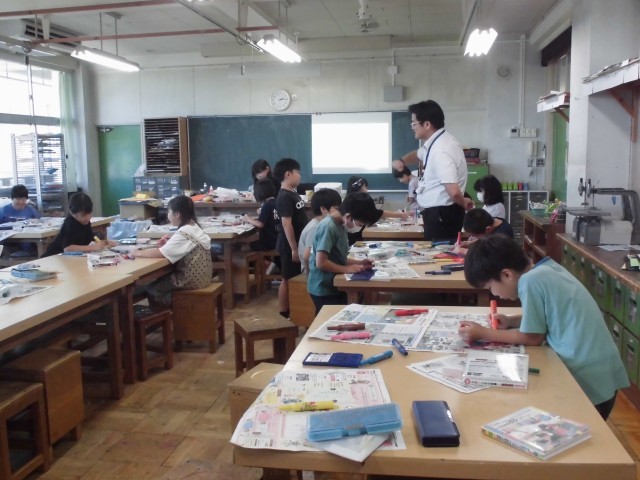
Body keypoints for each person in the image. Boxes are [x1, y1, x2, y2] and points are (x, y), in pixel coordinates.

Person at [458, 235, 629, 420]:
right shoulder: (546, 268)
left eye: (490, 287)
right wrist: (511, 321)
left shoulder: (529, 282)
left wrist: (483, 333)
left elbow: (532, 337)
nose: (493, 293)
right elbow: (551, 314)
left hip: (587, 379)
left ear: (507, 275)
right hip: (602, 370)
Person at [393, 100, 473, 242]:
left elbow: (453, 191)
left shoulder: (442, 149)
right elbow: (418, 154)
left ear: (427, 124)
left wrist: (463, 202)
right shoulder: (436, 143)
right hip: (438, 213)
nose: (412, 127)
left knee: (441, 252)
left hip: (442, 214)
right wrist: (402, 161)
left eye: (414, 123)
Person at [133, 195, 212, 307]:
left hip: (189, 279)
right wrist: (168, 245)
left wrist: (138, 252)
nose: (167, 215)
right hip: (203, 278)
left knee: (152, 288)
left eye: (169, 212)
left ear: (177, 214)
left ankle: (170, 312)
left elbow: (161, 253)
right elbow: (179, 247)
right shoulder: (194, 226)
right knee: (162, 279)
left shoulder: (183, 232)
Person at [307, 192, 378, 314]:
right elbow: (321, 262)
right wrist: (347, 269)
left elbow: (339, 257)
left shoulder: (340, 224)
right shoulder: (328, 227)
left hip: (334, 284)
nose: (359, 227)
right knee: (327, 319)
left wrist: (359, 263)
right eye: (360, 224)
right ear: (349, 216)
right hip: (323, 287)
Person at [274, 158, 308, 319]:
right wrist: (294, 248)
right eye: (298, 172)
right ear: (288, 174)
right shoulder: (284, 196)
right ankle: (284, 312)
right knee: (287, 278)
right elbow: (286, 223)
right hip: (289, 245)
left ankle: (292, 309)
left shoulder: (292, 193)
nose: (300, 176)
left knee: (292, 277)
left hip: (296, 243)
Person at [44, 192, 116, 256]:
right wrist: (94, 247)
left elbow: (90, 241)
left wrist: (105, 243)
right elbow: (68, 249)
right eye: (83, 215)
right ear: (72, 213)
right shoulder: (70, 224)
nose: (87, 217)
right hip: (54, 258)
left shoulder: (85, 222)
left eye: (89, 213)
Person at [346, 175, 408, 245]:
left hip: (356, 237)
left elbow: (375, 214)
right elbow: (377, 213)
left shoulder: (350, 200)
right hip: (356, 239)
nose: (367, 190)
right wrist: (401, 215)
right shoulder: (358, 201)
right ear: (358, 188)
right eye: (365, 187)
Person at [298, 188, 342, 274]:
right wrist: (309, 277)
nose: (339, 212)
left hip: (320, 266)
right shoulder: (315, 227)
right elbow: (307, 257)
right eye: (336, 208)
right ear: (323, 209)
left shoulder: (324, 224)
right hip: (313, 271)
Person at [242, 178, 280, 273]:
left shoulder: (266, 205)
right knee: (252, 242)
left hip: (269, 242)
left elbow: (260, 224)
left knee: (248, 245)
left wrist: (247, 218)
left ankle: (268, 264)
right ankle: (269, 263)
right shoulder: (277, 202)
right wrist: (261, 213)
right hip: (278, 239)